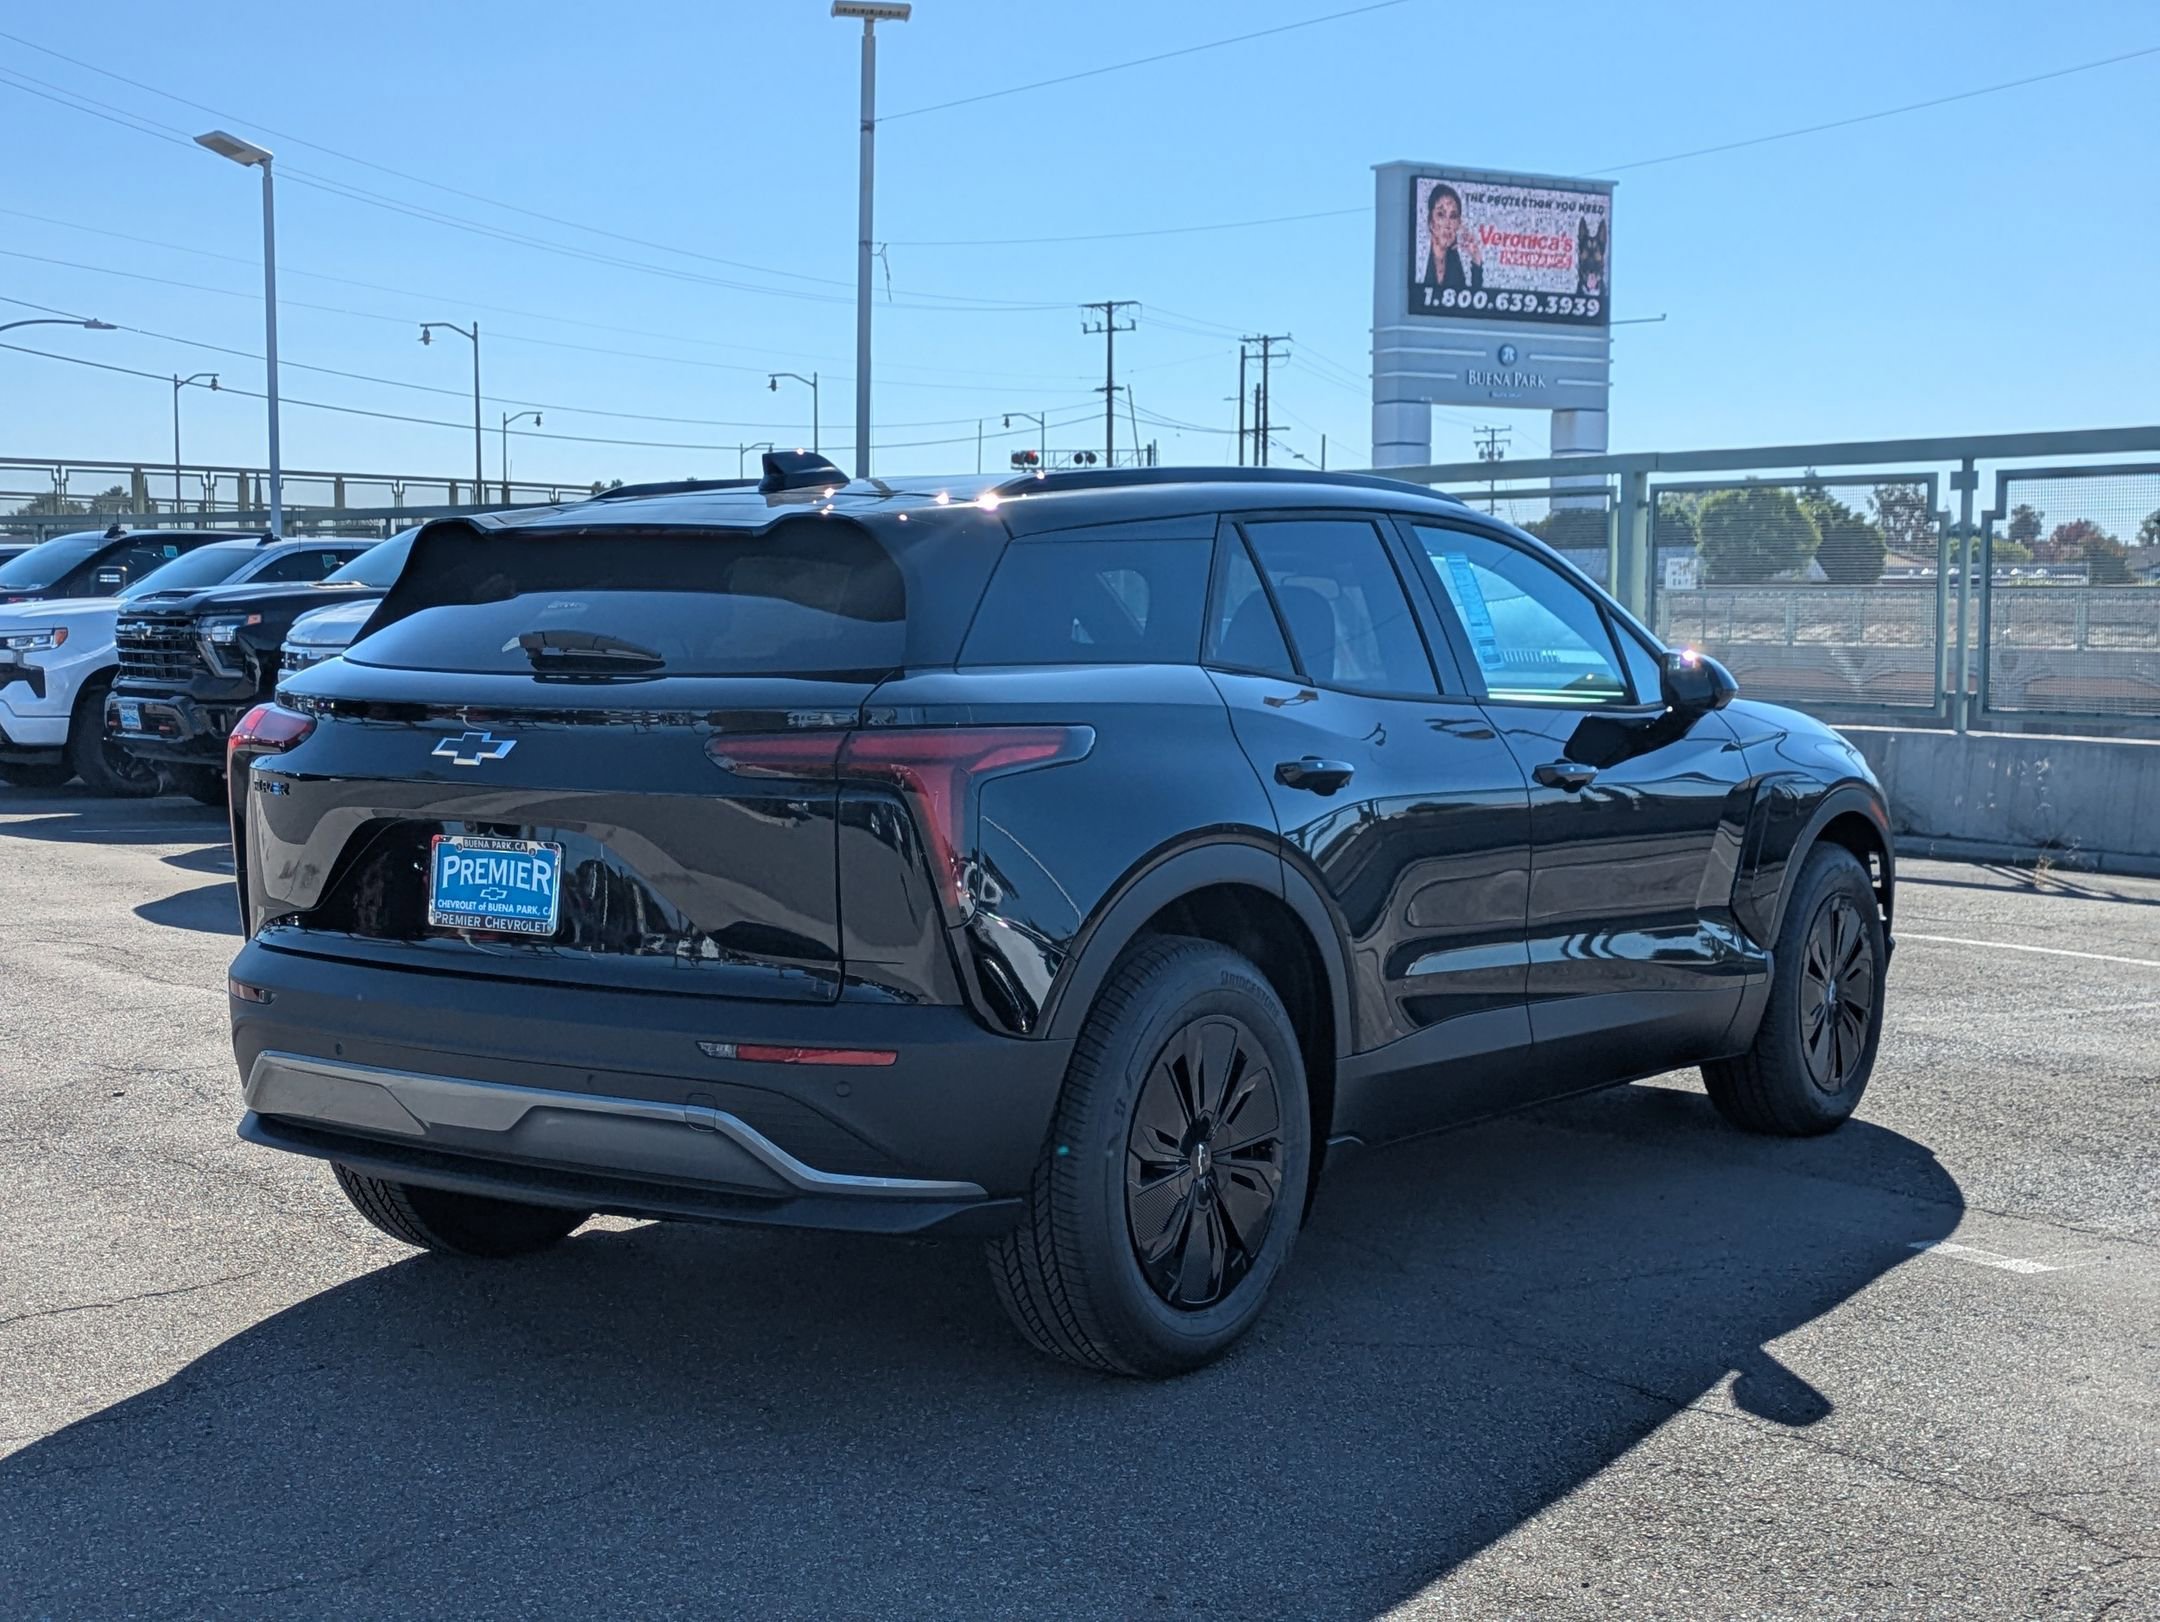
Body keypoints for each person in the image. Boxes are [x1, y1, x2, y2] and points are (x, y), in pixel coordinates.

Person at [1417, 182, 1483, 298]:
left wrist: (1476, 258)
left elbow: (1473, 309)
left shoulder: (1458, 269)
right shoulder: (1418, 263)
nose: (1448, 224)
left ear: (1458, 224)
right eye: (1441, 214)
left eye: (1453, 216)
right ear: (1430, 221)